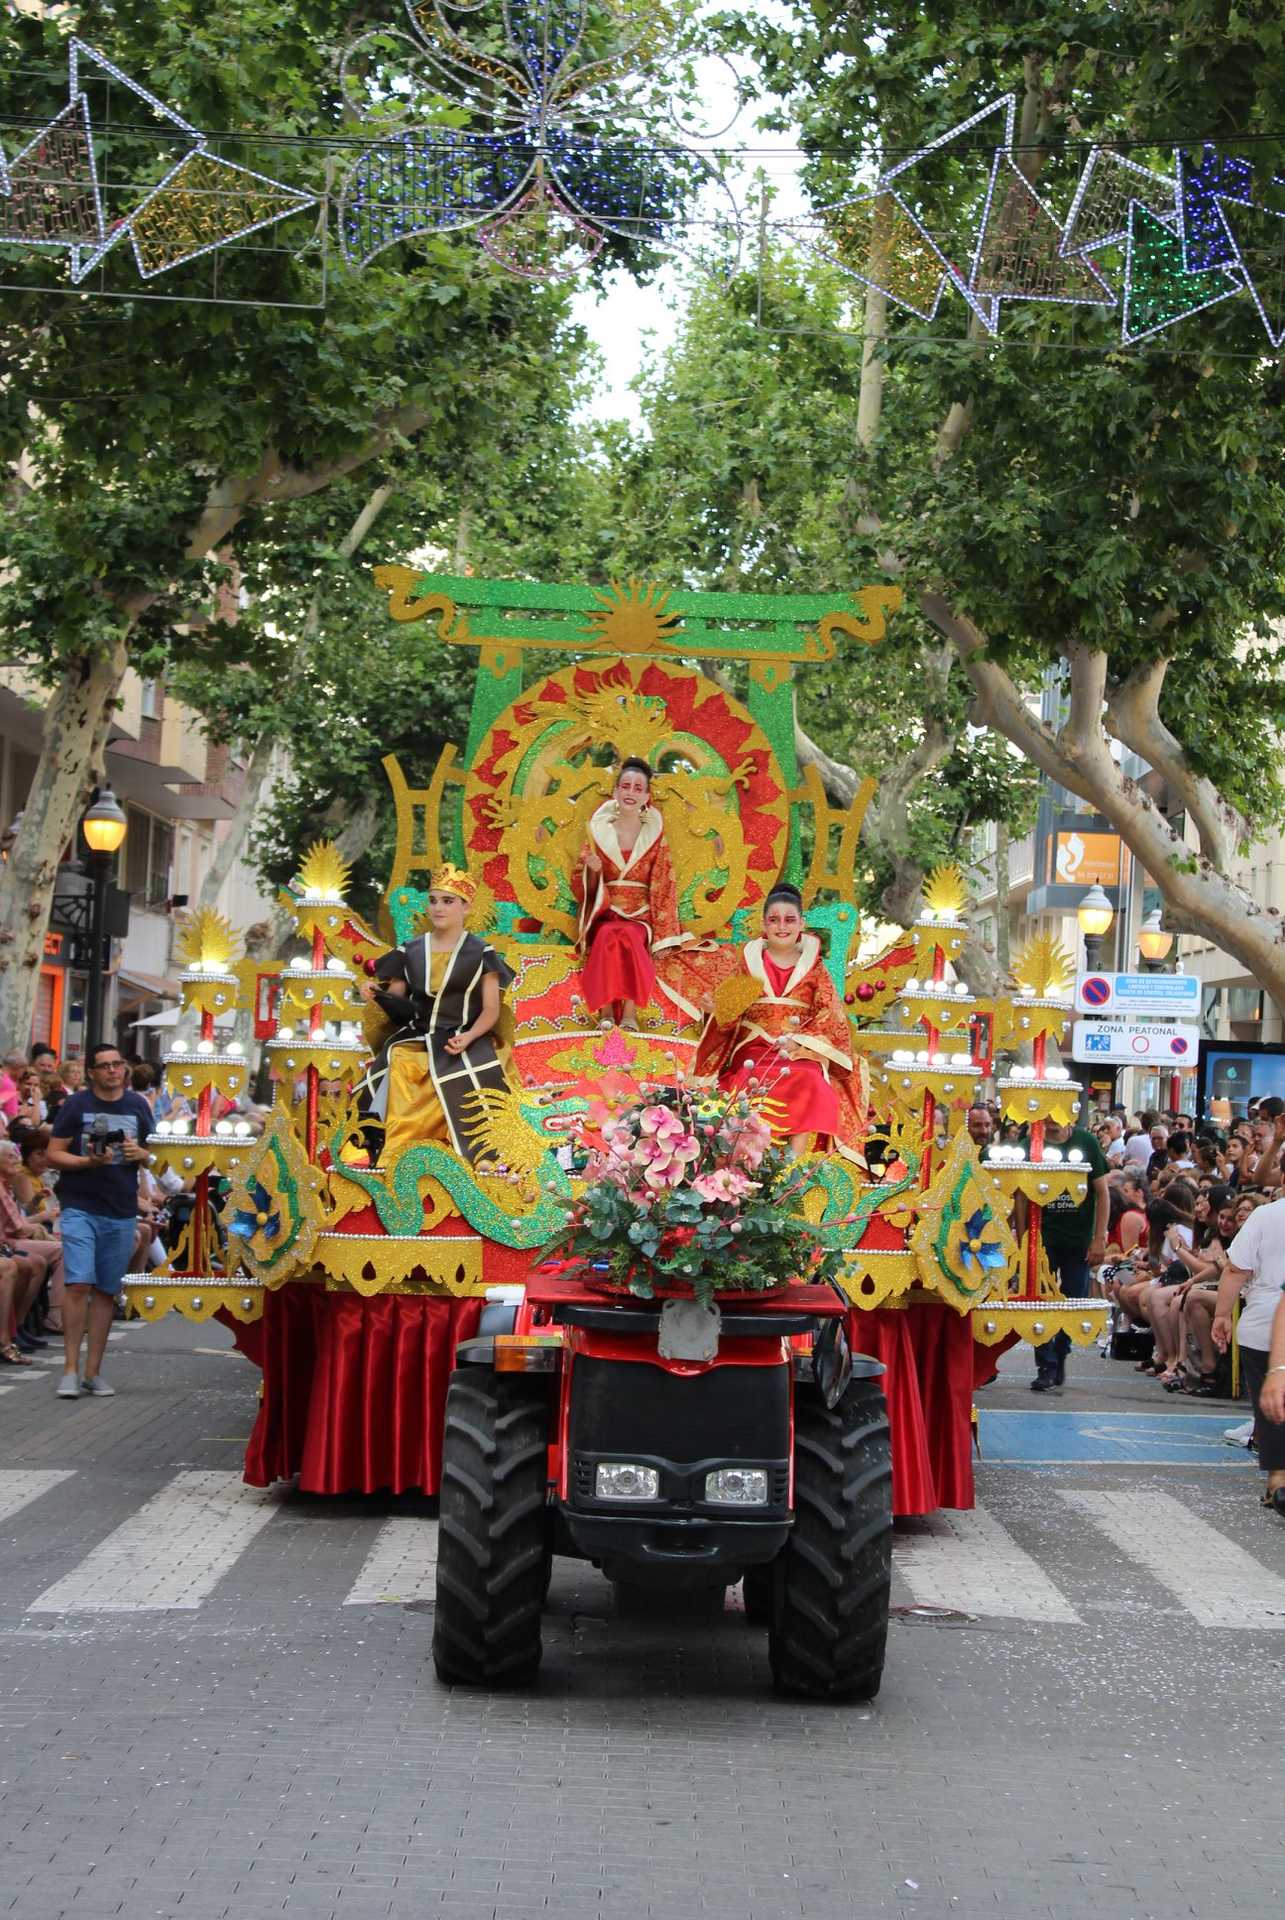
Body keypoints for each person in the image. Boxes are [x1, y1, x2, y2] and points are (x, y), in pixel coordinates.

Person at [362, 865, 517, 1169]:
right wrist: (375, 994)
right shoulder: (410, 950)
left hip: (466, 1037)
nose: (438, 907)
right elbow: (396, 1000)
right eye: (433, 900)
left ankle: (481, 1158)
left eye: (448, 901)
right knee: (400, 1060)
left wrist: (470, 1036)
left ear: (466, 907)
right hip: (416, 1037)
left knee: (484, 1067)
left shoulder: (482, 953)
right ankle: (398, 1156)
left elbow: (490, 1010)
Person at [695, 882, 865, 1159]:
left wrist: (801, 1043)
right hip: (754, 1047)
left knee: (809, 1078)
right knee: (744, 1078)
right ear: (764, 923)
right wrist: (716, 1011)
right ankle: (744, 1159)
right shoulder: (747, 962)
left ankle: (791, 1165)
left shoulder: (815, 966)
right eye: (774, 920)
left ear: (801, 923)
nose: (781, 927)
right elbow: (731, 1013)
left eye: (789, 920)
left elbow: (828, 1013)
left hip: (799, 1050)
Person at [46, 1042, 156, 1399]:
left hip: (121, 1208)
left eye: (117, 1064)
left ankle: (93, 1372)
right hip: (80, 1204)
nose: (113, 1070)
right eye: (104, 1066)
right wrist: (86, 1162)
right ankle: (69, 1370)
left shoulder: (138, 1105)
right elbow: (53, 1153)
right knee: (78, 1283)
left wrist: (143, 1155)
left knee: (107, 1291)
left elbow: (157, 1154)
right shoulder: (77, 1105)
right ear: (91, 1072)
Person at [570, 757, 686, 1032]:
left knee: (631, 936)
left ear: (646, 796)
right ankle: (606, 1010)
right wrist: (593, 872)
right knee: (608, 934)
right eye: (625, 786)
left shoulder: (655, 836)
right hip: (604, 911)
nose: (630, 792)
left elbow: (663, 882)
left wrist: (664, 930)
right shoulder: (597, 832)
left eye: (637, 788)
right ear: (615, 792)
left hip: (640, 915)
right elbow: (579, 881)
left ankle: (630, 1013)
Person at [1212, 1195, 1285, 1516]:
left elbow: (1236, 1269)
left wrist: (1222, 1315)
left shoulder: (1265, 1215)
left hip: (1262, 1319)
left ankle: (1277, 1478)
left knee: (1269, 1406)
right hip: (1271, 1313)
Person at [1031, 1113, 1110, 1392]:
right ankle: (1045, 1364)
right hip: (1042, 1239)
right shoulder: (1032, 1143)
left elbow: (1102, 1193)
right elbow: (1019, 1192)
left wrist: (1099, 1238)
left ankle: (1062, 1350)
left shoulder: (1086, 1142)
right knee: (1040, 1301)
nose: (1051, 1122)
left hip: (1078, 1240)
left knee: (1073, 1299)